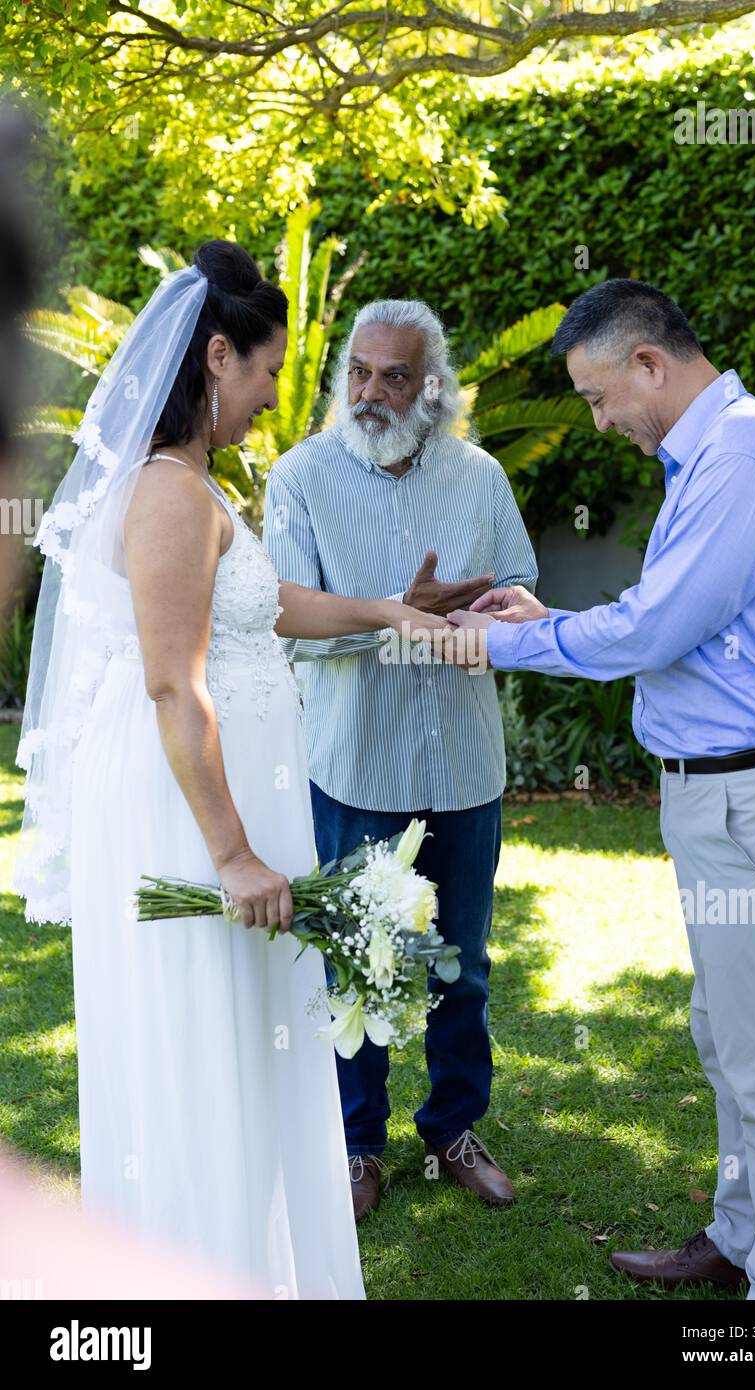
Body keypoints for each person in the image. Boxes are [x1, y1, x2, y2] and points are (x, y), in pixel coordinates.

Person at [14, 241, 442, 1297]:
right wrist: (236, 853)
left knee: (253, 1051)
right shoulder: (166, 493)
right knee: (204, 1060)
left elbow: (271, 605)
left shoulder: (195, 484)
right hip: (190, 820)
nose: (270, 395)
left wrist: (390, 609)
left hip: (218, 811)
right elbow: (173, 680)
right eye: (263, 371)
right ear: (216, 356)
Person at [444, 279, 755, 1301]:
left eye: (596, 397)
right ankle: (740, 1240)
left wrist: (507, 639)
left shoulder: (748, 459)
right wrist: (549, 615)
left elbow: (655, 632)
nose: (596, 421)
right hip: (727, 800)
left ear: (648, 364)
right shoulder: (712, 458)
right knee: (730, 1038)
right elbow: (674, 614)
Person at [264, 299, 538, 1220]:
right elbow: (284, 621)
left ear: (432, 386)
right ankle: (354, 1146)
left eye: (393, 376)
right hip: (356, 766)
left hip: (463, 763)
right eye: (358, 372)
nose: (371, 392)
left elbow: (518, 589)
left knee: (464, 964)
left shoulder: (479, 476)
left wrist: (478, 608)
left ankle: (454, 1127)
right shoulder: (301, 477)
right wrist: (396, 606)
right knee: (358, 961)